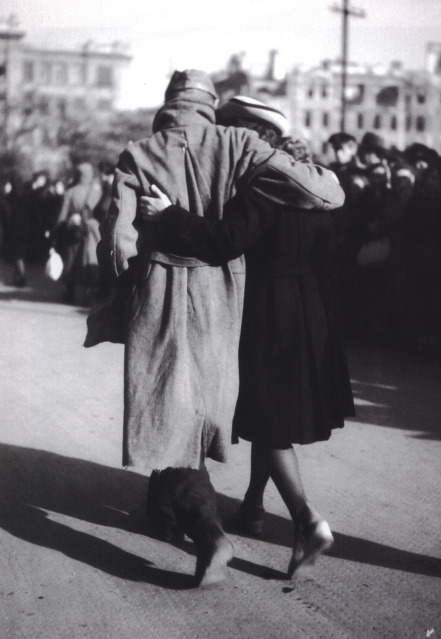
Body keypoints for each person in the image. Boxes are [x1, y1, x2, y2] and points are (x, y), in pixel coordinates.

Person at [94, 72, 345, 586]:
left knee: (167, 406)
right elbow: (325, 193)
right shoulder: (240, 145)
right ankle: (192, 517)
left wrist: (126, 275)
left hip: (159, 291)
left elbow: (116, 245)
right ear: (210, 106)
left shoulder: (136, 153)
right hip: (223, 296)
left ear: (169, 103)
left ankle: (205, 530)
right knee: (207, 406)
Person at [55, 162, 102, 304]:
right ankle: (89, 294)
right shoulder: (97, 191)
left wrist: (56, 232)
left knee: (71, 260)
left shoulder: (70, 192)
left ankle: (69, 293)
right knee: (88, 260)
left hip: (73, 230)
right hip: (92, 230)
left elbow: (62, 216)